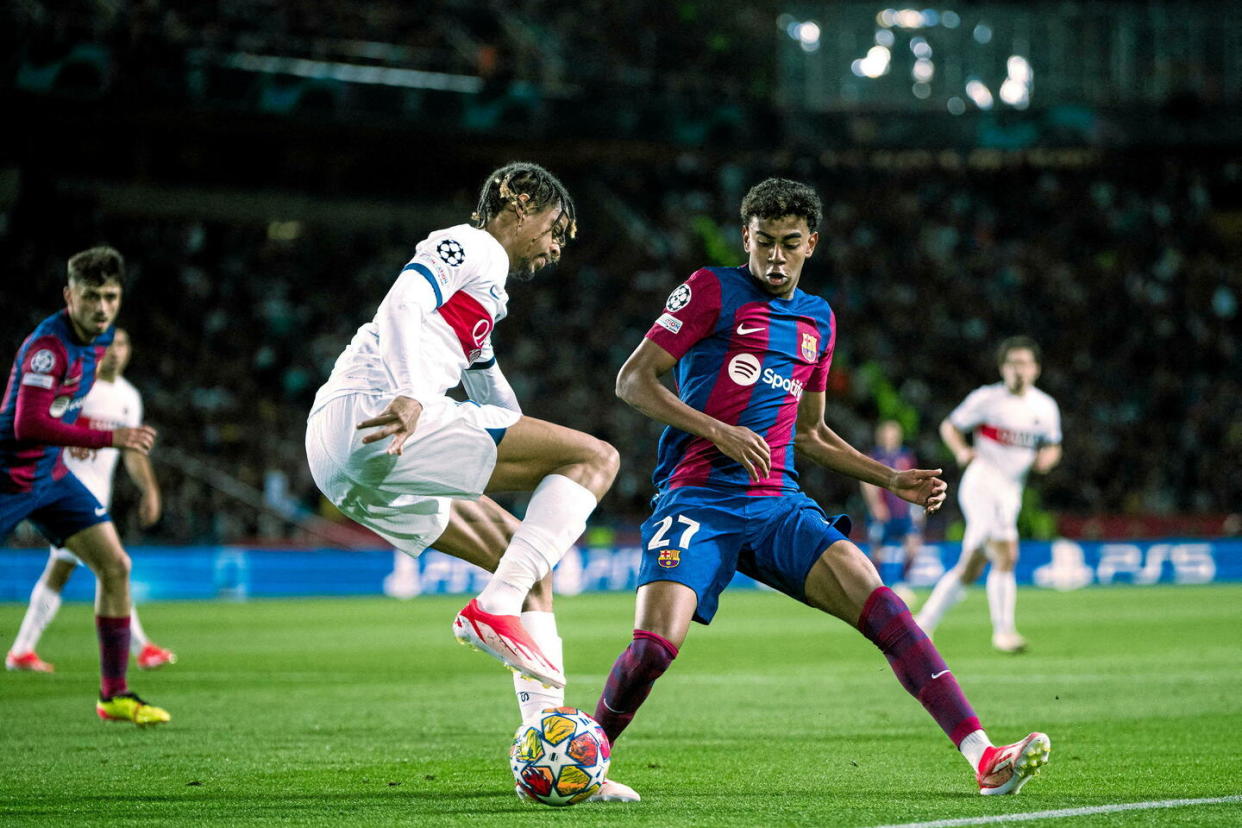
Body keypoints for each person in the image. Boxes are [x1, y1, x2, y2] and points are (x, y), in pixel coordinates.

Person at [592, 178, 1050, 798]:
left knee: (885, 608)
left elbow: (811, 434)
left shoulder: (818, 321)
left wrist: (891, 478)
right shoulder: (710, 289)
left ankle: (984, 757)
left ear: (812, 242)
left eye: (788, 244)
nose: (774, 259)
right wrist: (718, 431)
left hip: (779, 503)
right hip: (699, 496)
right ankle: (585, 758)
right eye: (762, 243)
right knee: (652, 649)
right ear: (745, 237)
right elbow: (633, 381)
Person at [304, 162, 635, 802]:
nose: (557, 245)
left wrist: (522, 448)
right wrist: (406, 394)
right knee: (596, 459)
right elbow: (402, 300)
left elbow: (490, 392)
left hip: (350, 456)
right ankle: (491, 608)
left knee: (527, 559)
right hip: (378, 413)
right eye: (555, 227)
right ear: (517, 202)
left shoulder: (487, 297)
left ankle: (558, 764)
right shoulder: (472, 243)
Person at [0, 247, 169, 725]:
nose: (101, 307)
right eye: (91, 296)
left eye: (110, 297)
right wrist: (108, 437)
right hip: (9, 476)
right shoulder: (46, 348)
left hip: (52, 478)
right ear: (68, 295)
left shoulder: (103, 339)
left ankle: (113, 695)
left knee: (115, 565)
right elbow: (27, 425)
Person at [6, 328, 176, 674]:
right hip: (62, 494)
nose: (115, 351)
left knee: (65, 571)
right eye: (110, 344)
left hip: (96, 496)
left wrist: (150, 489)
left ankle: (22, 650)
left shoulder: (129, 396)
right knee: (112, 565)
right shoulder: (79, 385)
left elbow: (132, 450)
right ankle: (142, 647)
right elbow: (42, 421)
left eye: (122, 344)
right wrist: (72, 440)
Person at [915, 337, 1062, 653]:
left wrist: (1048, 458)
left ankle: (923, 624)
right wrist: (962, 451)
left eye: (1024, 363)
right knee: (1007, 553)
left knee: (971, 567)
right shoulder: (987, 398)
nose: (1018, 370)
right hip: (982, 484)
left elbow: (1052, 444)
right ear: (1003, 368)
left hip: (1011, 491)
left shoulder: (1045, 407)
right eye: (1012, 364)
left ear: (1035, 369)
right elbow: (950, 426)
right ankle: (1004, 633)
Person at [860, 419, 924, 602]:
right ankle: (877, 586)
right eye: (888, 434)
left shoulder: (906, 456)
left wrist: (917, 508)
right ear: (881, 436)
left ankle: (902, 583)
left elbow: (915, 482)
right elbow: (866, 482)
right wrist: (875, 505)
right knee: (877, 551)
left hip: (903, 512)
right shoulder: (875, 456)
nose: (891, 437)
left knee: (913, 545)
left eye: (894, 434)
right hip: (883, 511)